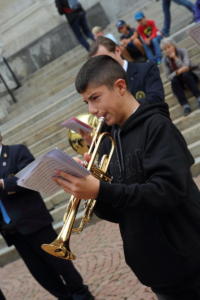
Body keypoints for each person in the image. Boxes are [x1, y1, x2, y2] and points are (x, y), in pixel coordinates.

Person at [54, 55, 200, 300]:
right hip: (158, 273)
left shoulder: (157, 126)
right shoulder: (108, 140)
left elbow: (167, 192)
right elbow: (120, 212)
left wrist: (101, 190)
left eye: (95, 98)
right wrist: (88, 190)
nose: (91, 110)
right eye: (86, 102)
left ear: (120, 86)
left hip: (191, 264)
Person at [0, 134, 94, 300]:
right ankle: (64, 297)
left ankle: (81, 294)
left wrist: (3, 184)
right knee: (40, 273)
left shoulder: (17, 151)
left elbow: (31, 178)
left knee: (60, 263)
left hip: (33, 222)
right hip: (11, 230)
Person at [89, 36, 164, 104]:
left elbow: (157, 99)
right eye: (99, 64)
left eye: (106, 59)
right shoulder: (103, 86)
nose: (104, 66)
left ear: (118, 50)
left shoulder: (146, 69)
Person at [161, 37, 200, 116]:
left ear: (174, 46)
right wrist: (177, 72)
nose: (168, 50)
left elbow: (186, 66)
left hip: (191, 76)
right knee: (174, 80)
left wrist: (175, 58)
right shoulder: (164, 60)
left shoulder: (182, 51)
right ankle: (185, 105)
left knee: (186, 74)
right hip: (179, 81)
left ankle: (199, 97)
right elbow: (168, 76)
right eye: (165, 49)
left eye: (169, 47)